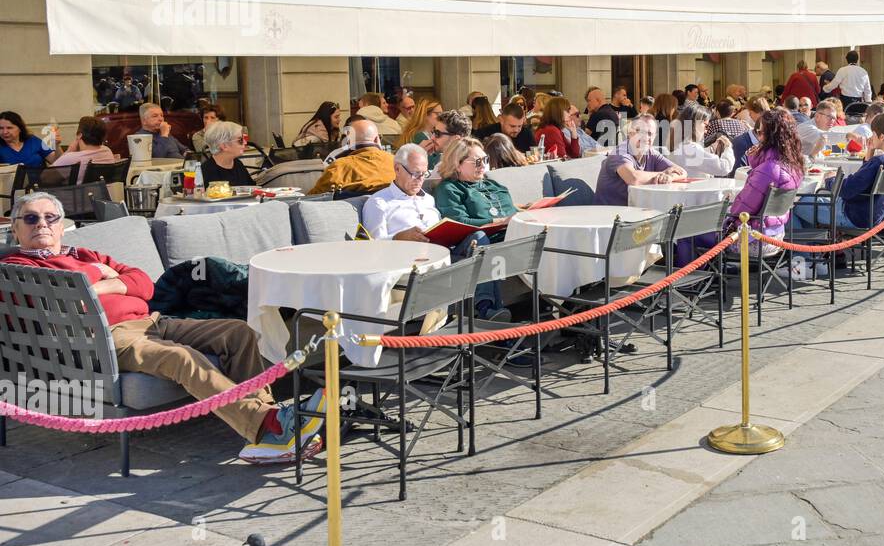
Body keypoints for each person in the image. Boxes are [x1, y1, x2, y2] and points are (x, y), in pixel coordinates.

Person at [2, 192, 326, 462]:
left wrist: (107, 281)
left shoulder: (85, 253)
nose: (42, 224)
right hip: (104, 337)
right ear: (16, 229)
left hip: (153, 320)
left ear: (62, 227)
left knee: (239, 332)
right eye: (31, 218)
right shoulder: (17, 266)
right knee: (180, 357)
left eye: (50, 218)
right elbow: (65, 298)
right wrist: (103, 276)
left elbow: (144, 284)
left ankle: (265, 425)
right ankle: (271, 426)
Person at [360, 144, 506, 318]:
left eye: (424, 174)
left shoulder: (428, 199)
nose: (420, 179)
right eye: (415, 173)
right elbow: (373, 248)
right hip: (411, 262)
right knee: (481, 259)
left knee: (480, 240)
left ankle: (489, 313)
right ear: (397, 168)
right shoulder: (379, 203)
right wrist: (399, 237)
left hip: (443, 255)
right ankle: (489, 313)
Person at [724, 109, 804, 244]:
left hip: (753, 238)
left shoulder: (768, 169)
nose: (758, 137)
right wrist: (756, 159)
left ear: (771, 136)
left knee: (690, 236)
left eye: (760, 132)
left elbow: (742, 208)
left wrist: (726, 215)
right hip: (776, 233)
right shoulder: (794, 165)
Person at [594, 114, 685, 206]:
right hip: (611, 215)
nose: (645, 137)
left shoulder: (651, 153)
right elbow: (633, 178)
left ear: (655, 136)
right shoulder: (620, 153)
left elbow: (683, 172)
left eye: (650, 134)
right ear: (630, 133)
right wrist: (663, 173)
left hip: (634, 210)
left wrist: (670, 177)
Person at [308, 119, 394, 195]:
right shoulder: (396, 163)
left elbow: (314, 197)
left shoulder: (338, 167)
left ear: (349, 142)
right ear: (376, 139)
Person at [666, 102, 734, 177]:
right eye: (705, 125)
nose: (706, 130)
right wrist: (728, 148)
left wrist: (710, 149)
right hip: (696, 187)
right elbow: (724, 168)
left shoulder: (678, 144)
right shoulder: (690, 149)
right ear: (695, 123)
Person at [51, 116, 116, 180]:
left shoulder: (71, 158)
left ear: (79, 135)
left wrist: (69, 150)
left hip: (80, 191)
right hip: (102, 190)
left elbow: (44, 177)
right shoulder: (107, 151)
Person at [197, 121, 255, 189]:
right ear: (224, 146)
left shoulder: (238, 164)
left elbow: (252, 189)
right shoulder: (206, 172)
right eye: (240, 140)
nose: (245, 143)